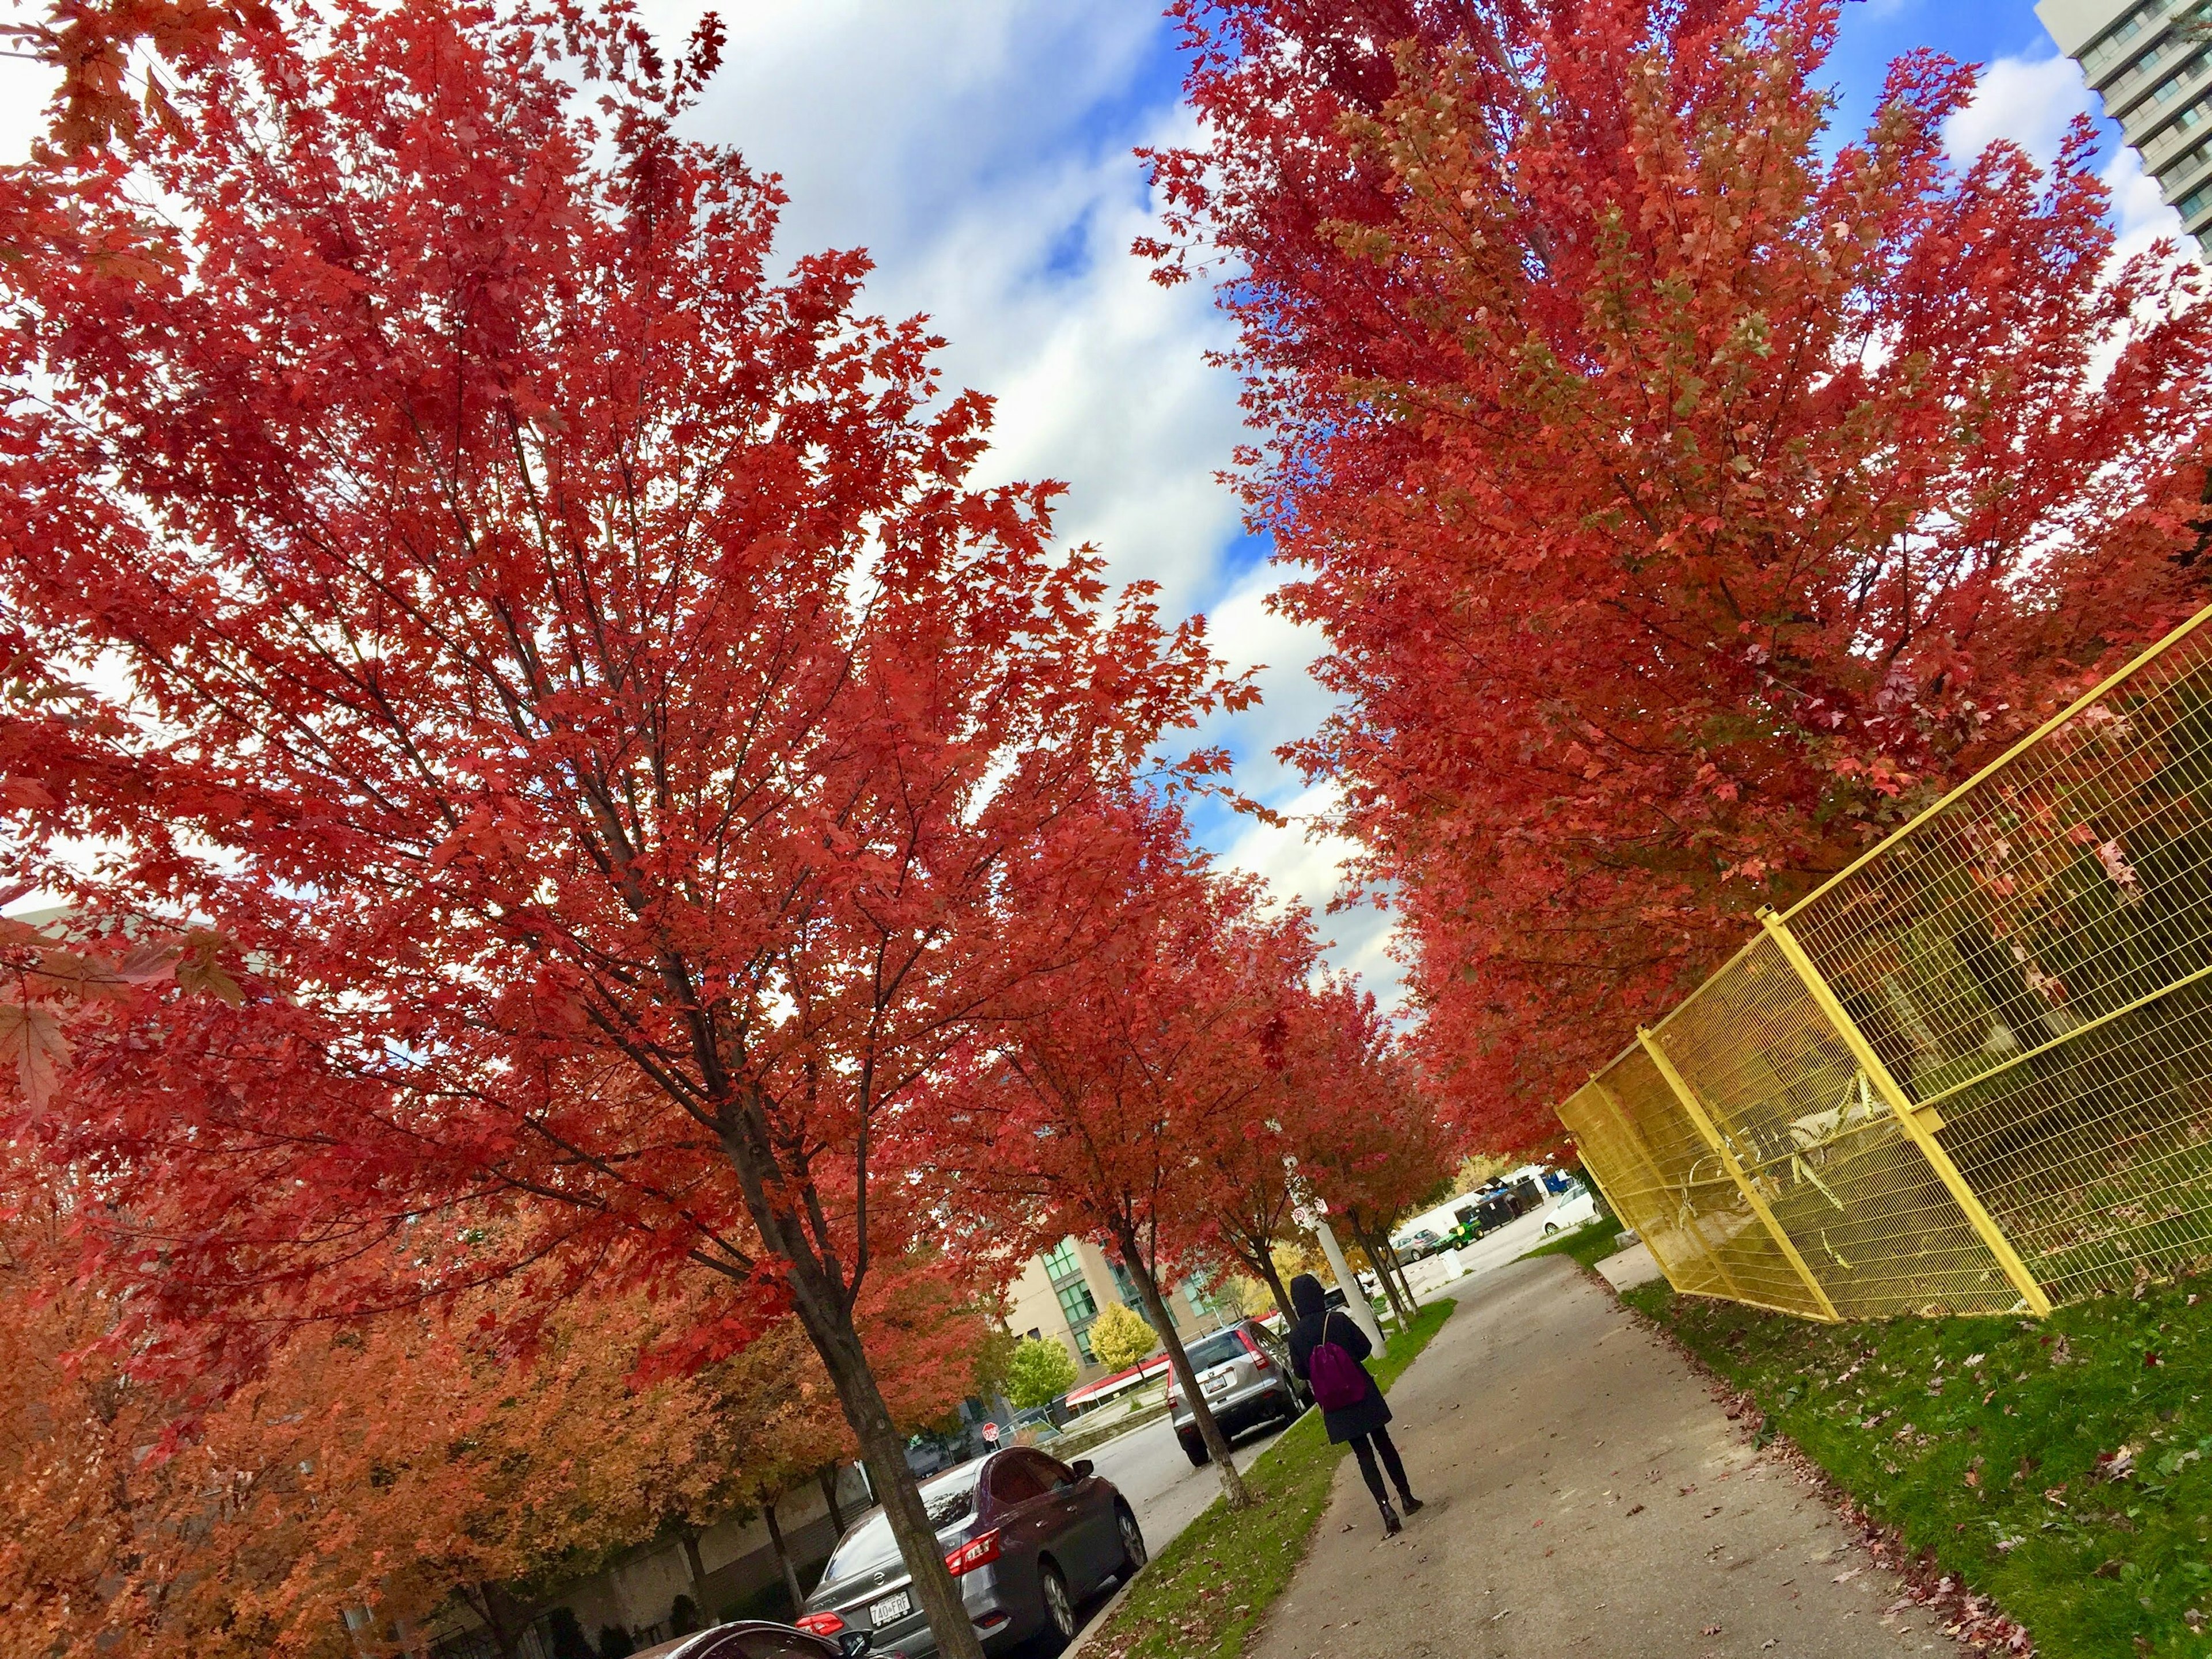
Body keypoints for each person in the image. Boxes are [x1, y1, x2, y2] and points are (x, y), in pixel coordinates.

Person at [1284, 1272, 1423, 1535]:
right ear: (1319, 1295)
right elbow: (1365, 1348)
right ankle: (1406, 1497)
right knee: (1384, 1444)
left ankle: (1386, 1509)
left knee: (1363, 1455)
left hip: (1335, 1403)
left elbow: (1301, 1373)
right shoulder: (1336, 1320)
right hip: (1360, 1390)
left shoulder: (1296, 1337)